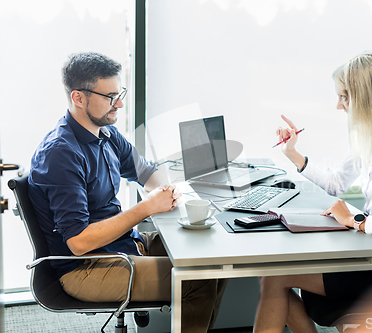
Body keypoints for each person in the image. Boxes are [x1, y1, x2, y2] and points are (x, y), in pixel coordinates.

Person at [29, 52, 226, 332]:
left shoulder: (106, 134)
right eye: (110, 97)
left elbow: (147, 173)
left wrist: (169, 189)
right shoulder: (61, 153)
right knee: (199, 278)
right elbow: (79, 242)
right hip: (85, 266)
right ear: (78, 98)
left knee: (215, 260)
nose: (119, 103)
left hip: (122, 244)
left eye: (119, 93)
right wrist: (146, 207)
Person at [253, 51, 372, 332]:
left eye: (344, 97)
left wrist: (357, 220)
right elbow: (335, 183)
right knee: (270, 276)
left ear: (368, 95)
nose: (339, 106)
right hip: (369, 254)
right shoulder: (370, 139)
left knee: (274, 277)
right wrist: (292, 153)